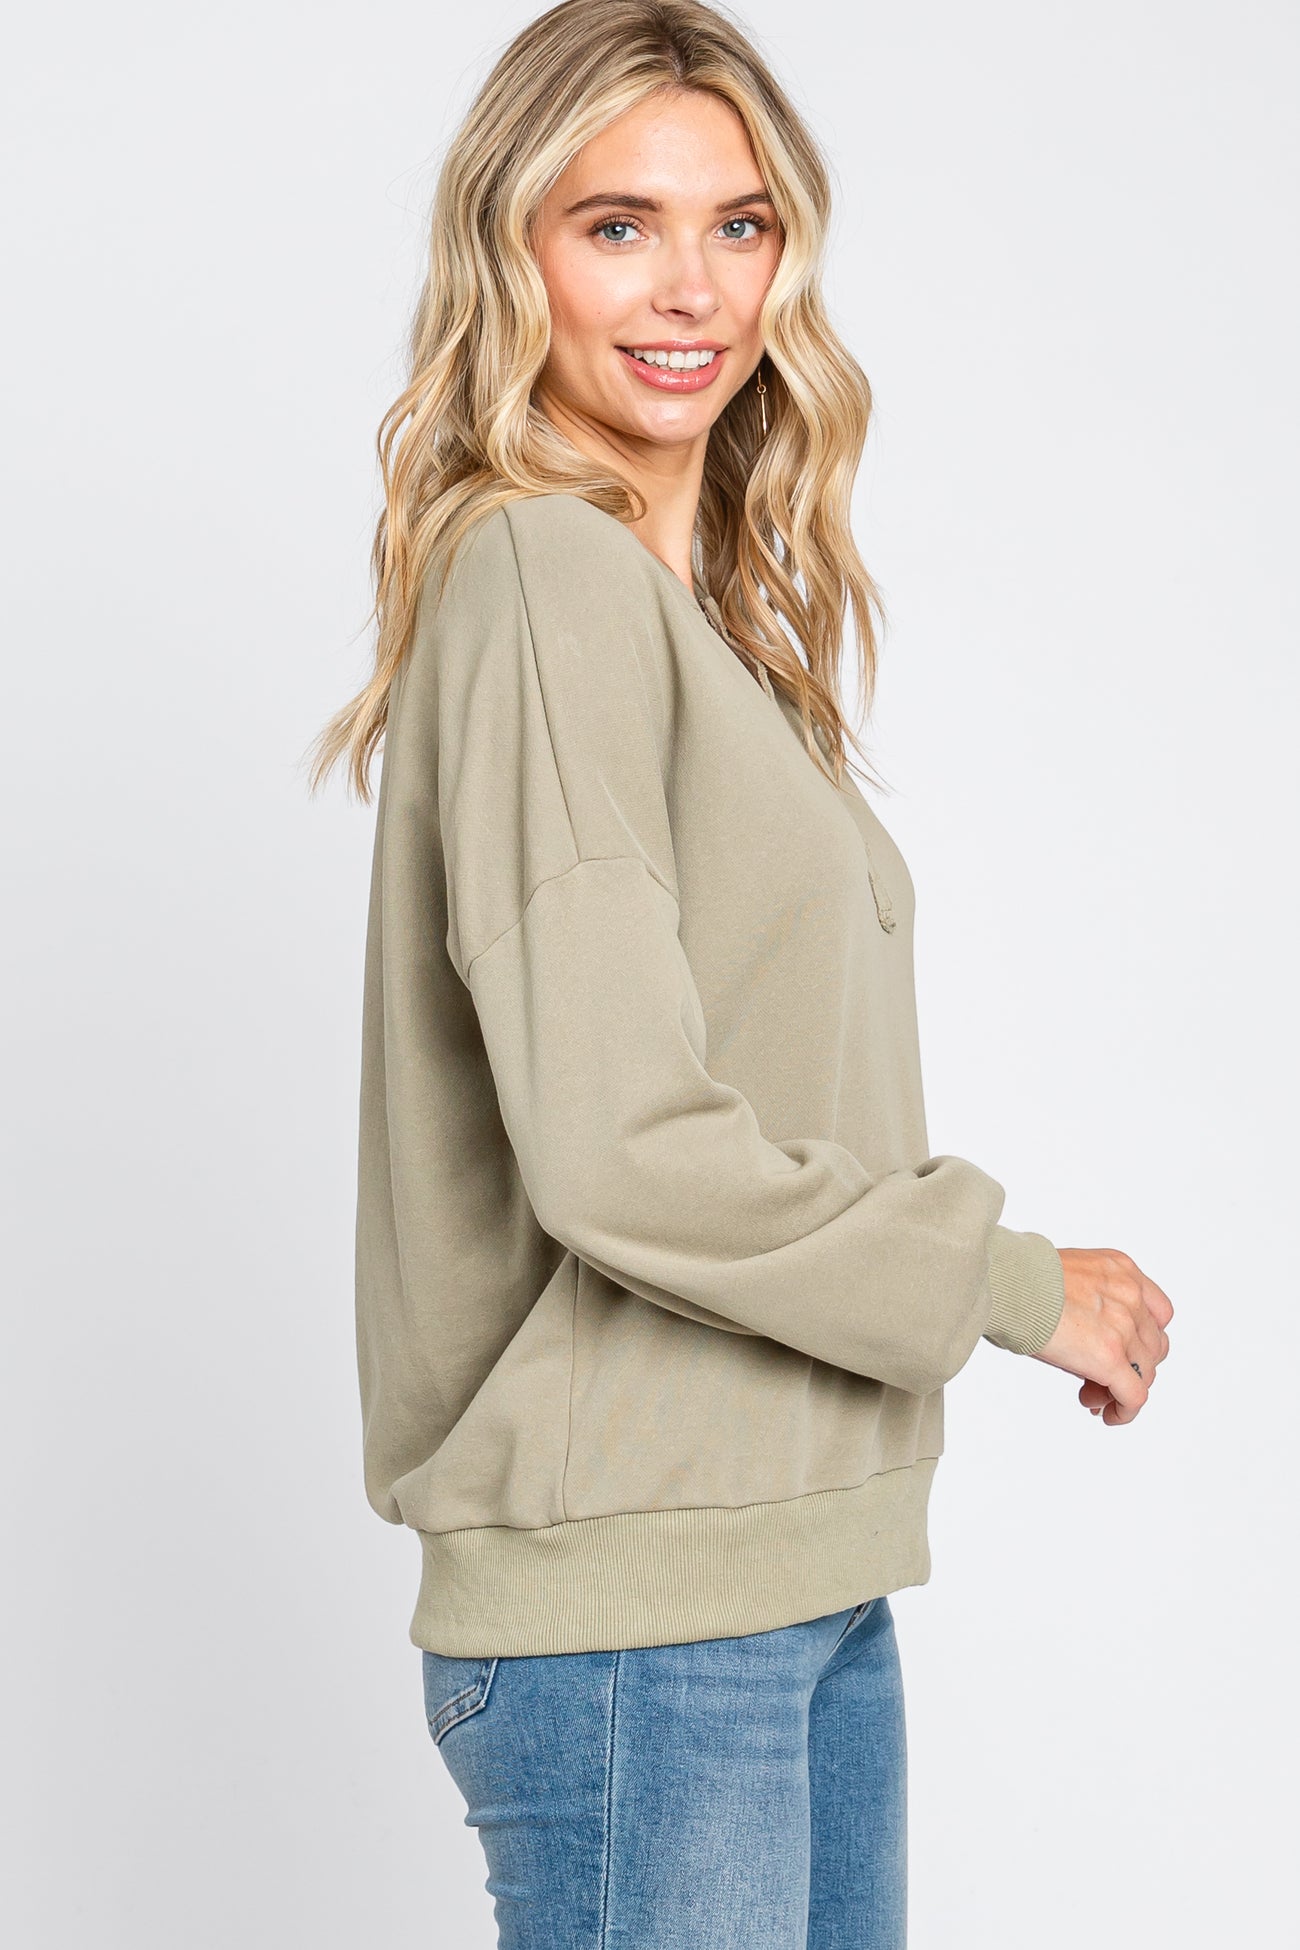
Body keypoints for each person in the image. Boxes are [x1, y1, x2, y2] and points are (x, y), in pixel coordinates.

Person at [306, 3, 1174, 1943]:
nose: (690, 287)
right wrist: (1011, 1284)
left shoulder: (685, 614)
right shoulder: (543, 578)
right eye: (615, 224)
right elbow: (618, 1146)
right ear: (511, 252)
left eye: (741, 223)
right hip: (641, 1616)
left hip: (787, 1571)